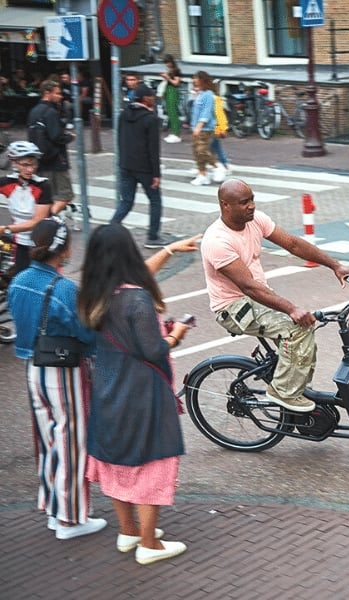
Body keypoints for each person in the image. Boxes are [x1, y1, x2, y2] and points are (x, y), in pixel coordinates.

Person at [79, 224, 199, 565]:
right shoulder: (137, 298)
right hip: (141, 390)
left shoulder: (91, 294)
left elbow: (134, 284)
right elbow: (153, 348)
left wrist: (170, 250)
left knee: (116, 458)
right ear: (129, 252)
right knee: (151, 461)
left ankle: (128, 530)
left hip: (106, 387)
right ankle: (149, 544)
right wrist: (176, 333)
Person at [201, 179, 349, 412]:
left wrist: (335, 265)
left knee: (304, 327)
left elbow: (293, 244)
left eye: (252, 199)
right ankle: (283, 392)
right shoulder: (217, 241)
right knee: (297, 329)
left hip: (256, 296)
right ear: (225, 205)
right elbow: (248, 286)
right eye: (244, 202)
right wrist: (291, 309)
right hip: (232, 307)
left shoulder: (255, 220)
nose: (251, 206)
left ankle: (294, 386)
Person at [7, 217, 105, 540]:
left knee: (48, 441)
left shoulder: (19, 280)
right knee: (72, 441)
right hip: (64, 370)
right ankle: (70, 519)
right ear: (63, 249)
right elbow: (87, 333)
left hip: (32, 367)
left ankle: (53, 509)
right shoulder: (64, 288)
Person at [111, 83, 172, 249]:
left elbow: (120, 140)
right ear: (146, 98)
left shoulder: (123, 115)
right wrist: (156, 174)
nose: (154, 98)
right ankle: (152, 237)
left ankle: (110, 229)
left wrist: (122, 162)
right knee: (155, 201)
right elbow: (153, 148)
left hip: (126, 165)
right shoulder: (150, 119)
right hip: (144, 167)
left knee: (126, 201)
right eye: (152, 96)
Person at [27, 80, 77, 222]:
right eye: (57, 93)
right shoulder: (51, 112)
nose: (60, 96)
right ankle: (49, 219)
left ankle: (46, 219)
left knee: (47, 195)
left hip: (40, 159)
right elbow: (57, 136)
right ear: (47, 93)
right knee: (66, 194)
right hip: (55, 159)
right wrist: (69, 137)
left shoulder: (34, 111)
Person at [1, 141, 53, 274]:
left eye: (33, 164)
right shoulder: (6, 183)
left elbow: (36, 222)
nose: (30, 169)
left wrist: (5, 229)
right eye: (25, 165)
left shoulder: (42, 185)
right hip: (20, 243)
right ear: (13, 163)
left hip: (41, 244)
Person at [188, 71, 218, 186]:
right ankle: (203, 175)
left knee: (202, 150)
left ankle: (216, 166)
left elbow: (206, 112)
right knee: (196, 152)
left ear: (202, 80)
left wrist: (199, 126)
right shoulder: (199, 93)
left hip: (205, 128)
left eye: (196, 79)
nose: (194, 81)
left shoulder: (208, 94)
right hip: (195, 126)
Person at [160, 55, 183, 143]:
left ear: (171, 62)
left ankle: (176, 133)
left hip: (173, 91)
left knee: (173, 112)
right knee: (170, 112)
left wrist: (167, 77)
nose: (166, 65)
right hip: (169, 90)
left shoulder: (176, 71)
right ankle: (174, 132)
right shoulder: (170, 70)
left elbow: (176, 83)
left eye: (167, 62)